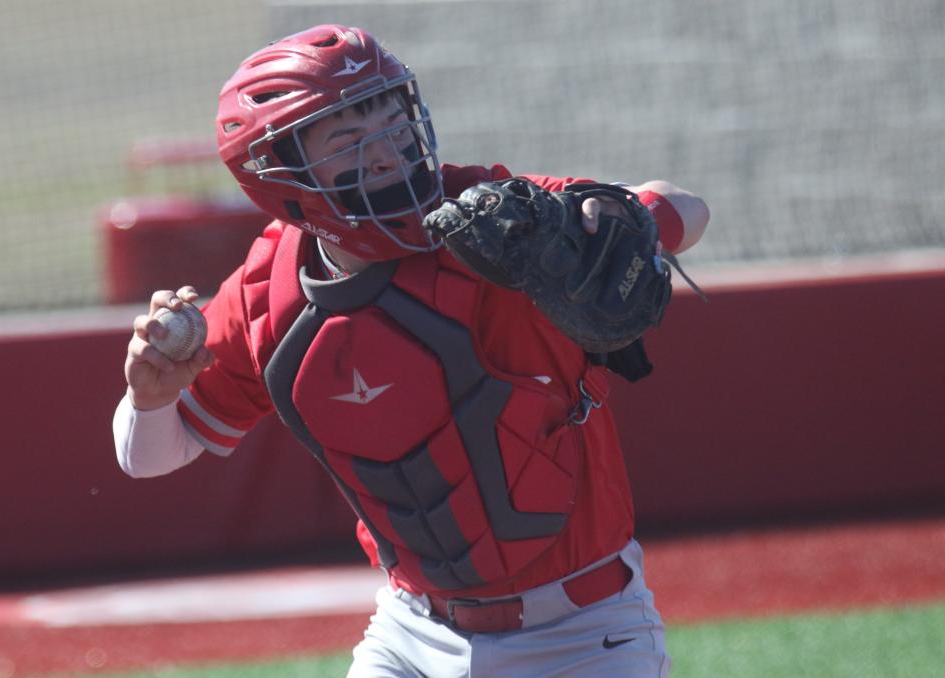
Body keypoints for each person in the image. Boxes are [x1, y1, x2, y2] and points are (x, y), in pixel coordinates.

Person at [114, 24, 709, 677]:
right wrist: (151, 398)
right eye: (349, 139)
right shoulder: (266, 294)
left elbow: (688, 208)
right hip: (411, 637)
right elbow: (148, 458)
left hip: (580, 633)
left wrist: (619, 221)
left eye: (394, 120)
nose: (392, 152)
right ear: (279, 170)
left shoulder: (492, 222)